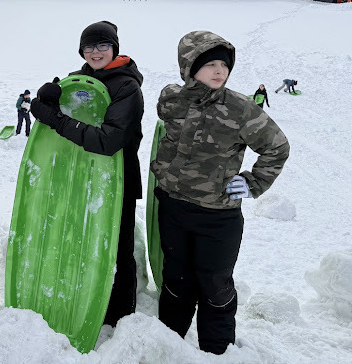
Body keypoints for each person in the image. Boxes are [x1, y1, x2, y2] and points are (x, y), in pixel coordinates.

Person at [150, 31, 290, 355]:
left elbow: (277, 147)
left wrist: (254, 183)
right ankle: (168, 343)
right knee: (176, 279)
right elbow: (164, 130)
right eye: (209, 64)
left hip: (218, 216)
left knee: (215, 284)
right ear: (188, 67)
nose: (219, 71)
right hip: (172, 207)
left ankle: (217, 352)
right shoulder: (172, 100)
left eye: (223, 65)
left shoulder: (241, 109)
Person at [30, 20, 144, 327]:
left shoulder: (127, 87)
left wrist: (55, 119)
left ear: (114, 49)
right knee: (82, 240)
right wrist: (48, 99)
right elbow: (60, 113)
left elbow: (107, 140)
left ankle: (120, 314)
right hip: (80, 176)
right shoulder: (79, 79)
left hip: (116, 179)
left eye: (102, 45)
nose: (95, 52)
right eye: (89, 46)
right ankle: (83, 298)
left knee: (117, 248)